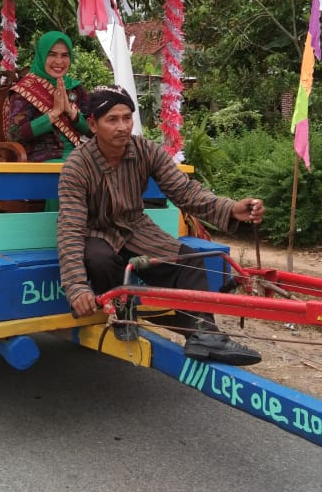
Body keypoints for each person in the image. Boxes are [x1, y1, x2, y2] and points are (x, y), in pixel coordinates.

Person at [56, 85, 264, 366]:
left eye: (127, 117)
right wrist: (76, 286)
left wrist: (231, 208)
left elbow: (185, 191)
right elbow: (70, 228)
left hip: (136, 228)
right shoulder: (77, 166)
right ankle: (121, 314)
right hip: (96, 232)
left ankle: (204, 335)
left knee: (189, 262)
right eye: (112, 120)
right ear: (92, 124)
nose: (122, 126)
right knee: (99, 258)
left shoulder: (145, 150)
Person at [7, 31, 90, 162]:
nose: (59, 61)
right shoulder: (25, 89)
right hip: (43, 159)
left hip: (78, 157)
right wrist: (54, 113)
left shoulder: (75, 87)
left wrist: (71, 113)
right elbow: (15, 134)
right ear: (41, 56)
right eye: (52, 54)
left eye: (64, 55)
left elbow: (93, 129)